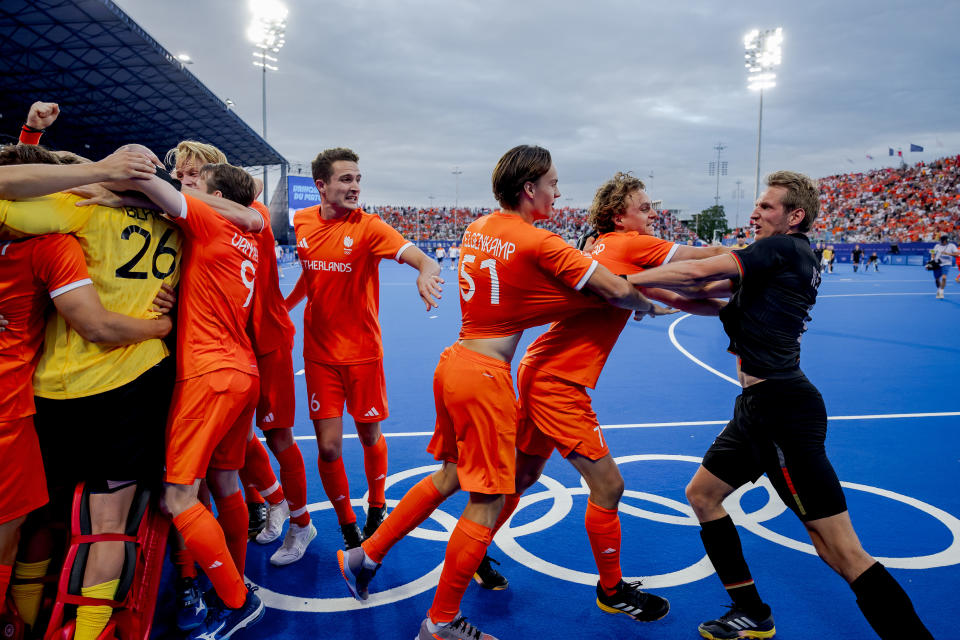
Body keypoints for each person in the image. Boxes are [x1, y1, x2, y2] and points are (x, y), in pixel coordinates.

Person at [339, 145, 661, 640]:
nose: (557, 192)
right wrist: (647, 303)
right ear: (529, 188)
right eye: (552, 183)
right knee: (487, 501)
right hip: (486, 374)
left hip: (455, 363)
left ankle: (366, 554)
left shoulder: (478, 228)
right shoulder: (540, 241)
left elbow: (513, 293)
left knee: (449, 476)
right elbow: (613, 291)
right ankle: (441, 622)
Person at [627, 171, 933, 640]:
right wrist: (638, 293)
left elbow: (693, 273)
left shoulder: (784, 248)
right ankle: (752, 611)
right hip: (756, 408)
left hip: (782, 412)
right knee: (703, 496)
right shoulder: (776, 262)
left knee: (841, 552)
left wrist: (613, 280)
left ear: (795, 217)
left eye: (767, 207)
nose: (755, 213)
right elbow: (707, 300)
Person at [495, 172, 729, 622]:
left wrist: (726, 309)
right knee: (608, 485)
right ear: (619, 216)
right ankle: (612, 590)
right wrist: (771, 258)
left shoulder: (600, 246)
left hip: (537, 369)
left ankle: (475, 549)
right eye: (644, 208)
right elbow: (710, 261)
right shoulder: (633, 244)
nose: (653, 214)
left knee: (522, 478)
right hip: (559, 385)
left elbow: (669, 295)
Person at [0, 142, 183, 639]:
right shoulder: (183, 222)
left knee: (40, 516)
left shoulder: (75, 209)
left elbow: (6, 194)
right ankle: (93, 629)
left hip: (59, 387)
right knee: (110, 523)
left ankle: (26, 621)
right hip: (138, 382)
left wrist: (83, 178)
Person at [122, 159, 268, 640]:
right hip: (242, 371)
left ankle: (237, 599)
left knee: (178, 496)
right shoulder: (245, 235)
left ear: (218, 195)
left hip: (207, 374)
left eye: (196, 183)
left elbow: (146, 184)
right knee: (225, 484)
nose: (187, 187)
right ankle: (236, 576)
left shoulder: (210, 219)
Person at [286, 147, 442, 549]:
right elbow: (310, 276)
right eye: (345, 180)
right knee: (328, 446)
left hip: (362, 354)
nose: (355, 187)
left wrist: (426, 271)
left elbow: (419, 258)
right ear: (321, 186)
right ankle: (346, 524)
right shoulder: (302, 222)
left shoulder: (371, 227)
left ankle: (377, 505)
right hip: (319, 354)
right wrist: (285, 307)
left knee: (370, 436)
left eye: (357, 179)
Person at [930, 235, 958, 299]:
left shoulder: (952, 246)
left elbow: (957, 254)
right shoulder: (937, 245)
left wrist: (948, 254)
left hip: (946, 264)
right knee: (937, 279)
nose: (944, 242)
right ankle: (938, 289)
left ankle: (941, 292)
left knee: (944, 277)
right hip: (937, 264)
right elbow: (932, 252)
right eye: (943, 241)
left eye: (946, 241)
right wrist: (932, 259)